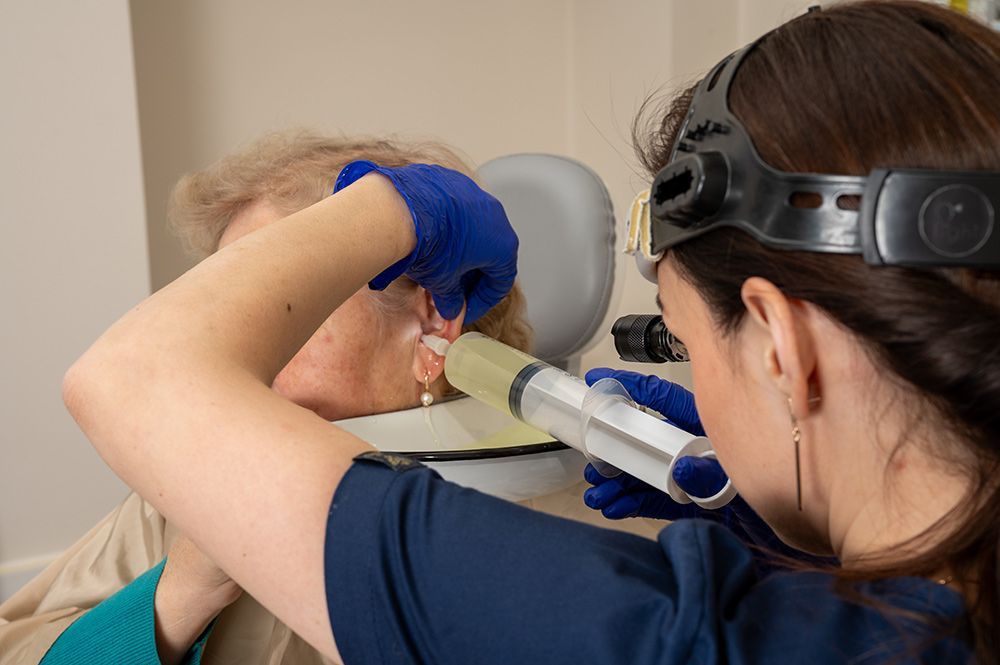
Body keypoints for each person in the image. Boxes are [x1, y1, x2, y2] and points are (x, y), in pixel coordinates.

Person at [55, 2, 1000, 663]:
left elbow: (132, 376)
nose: (241, 344)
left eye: (281, 293)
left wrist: (389, 209)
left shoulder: (631, 603)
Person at [0, 131, 557, 665]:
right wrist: (182, 590)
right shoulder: (190, 486)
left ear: (433, 317)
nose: (232, 353)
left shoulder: (541, 521)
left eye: (276, 314)